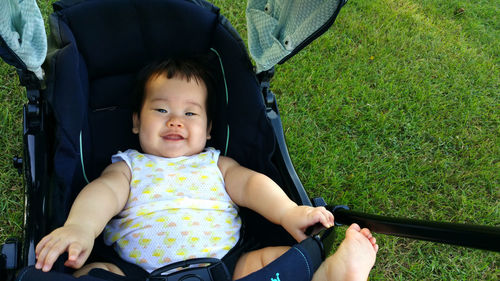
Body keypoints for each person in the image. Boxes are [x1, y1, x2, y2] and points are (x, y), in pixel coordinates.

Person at [34, 57, 378, 280]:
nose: (175, 122)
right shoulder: (129, 166)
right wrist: (81, 227)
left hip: (228, 268)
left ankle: (335, 275)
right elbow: (103, 195)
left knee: (279, 260)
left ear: (209, 129)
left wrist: (288, 211)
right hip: (141, 273)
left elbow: (251, 185)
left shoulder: (216, 163)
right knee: (93, 272)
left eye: (190, 113)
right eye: (160, 110)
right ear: (136, 122)